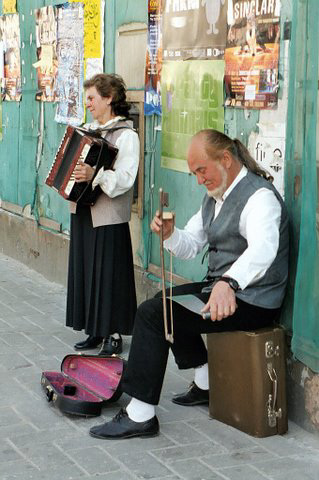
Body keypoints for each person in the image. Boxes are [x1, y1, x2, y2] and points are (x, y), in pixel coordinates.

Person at [89, 129, 289, 439]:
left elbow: (264, 249)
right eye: (194, 173)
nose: (198, 180)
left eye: (201, 170)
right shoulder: (215, 196)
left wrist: (230, 283)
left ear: (225, 159)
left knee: (154, 314)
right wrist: (170, 234)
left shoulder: (259, 197)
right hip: (223, 291)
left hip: (254, 302)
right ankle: (206, 383)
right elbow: (192, 243)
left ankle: (140, 414)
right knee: (164, 299)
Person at [66, 73, 139, 355]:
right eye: (87, 99)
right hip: (84, 212)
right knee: (86, 270)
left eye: (93, 98)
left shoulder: (126, 135)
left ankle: (114, 334)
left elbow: (126, 178)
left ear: (109, 98)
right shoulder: (88, 129)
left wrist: (95, 175)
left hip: (109, 215)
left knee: (109, 274)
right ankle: (95, 329)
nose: (89, 105)